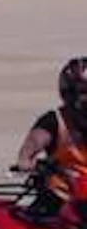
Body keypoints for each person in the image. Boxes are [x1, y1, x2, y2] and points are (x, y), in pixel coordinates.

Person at [14, 58, 87, 206]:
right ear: (70, 93)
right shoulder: (54, 121)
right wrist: (29, 162)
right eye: (83, 92)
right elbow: (30, 148)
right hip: (62, 197)